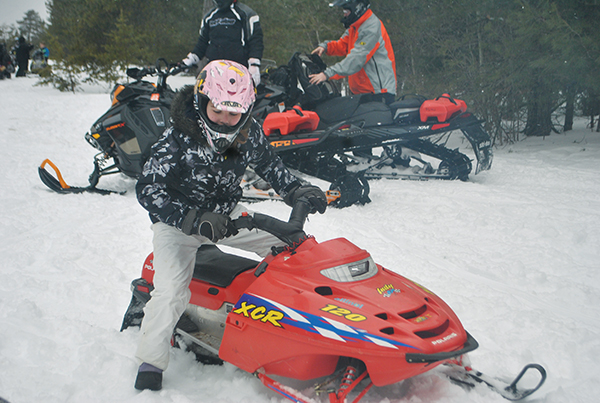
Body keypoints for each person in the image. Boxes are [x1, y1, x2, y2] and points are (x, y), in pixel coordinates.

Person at [133, 60, 327, 391]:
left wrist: (297, 189)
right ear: (201, 101)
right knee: (170, 291)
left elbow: (271, 166)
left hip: (227, 217)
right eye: (218, 110)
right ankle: (150, 361)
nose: (226, 120)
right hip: (178, 224)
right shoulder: (177, 139)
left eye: (234, 113)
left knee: (294, 248)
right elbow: (148, 188)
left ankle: (309, 323)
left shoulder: (247, 135)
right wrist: (189, 218)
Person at [309, 0, 397, 104]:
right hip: (362, 92)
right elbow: (343, 45)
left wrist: (327, 74)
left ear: (357, 9)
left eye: (347, 11)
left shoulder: (371, 29)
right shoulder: (355, 26)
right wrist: (326, 47)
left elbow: (356, 59)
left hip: (378, 93)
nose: (344, 15)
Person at [180, 0, 264, 85]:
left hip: (238, 71)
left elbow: (255, 41)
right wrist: (190, 60)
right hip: (214, 71)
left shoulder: (245, 13)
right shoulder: (209, 17)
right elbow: (203, 43)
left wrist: (254, 65)